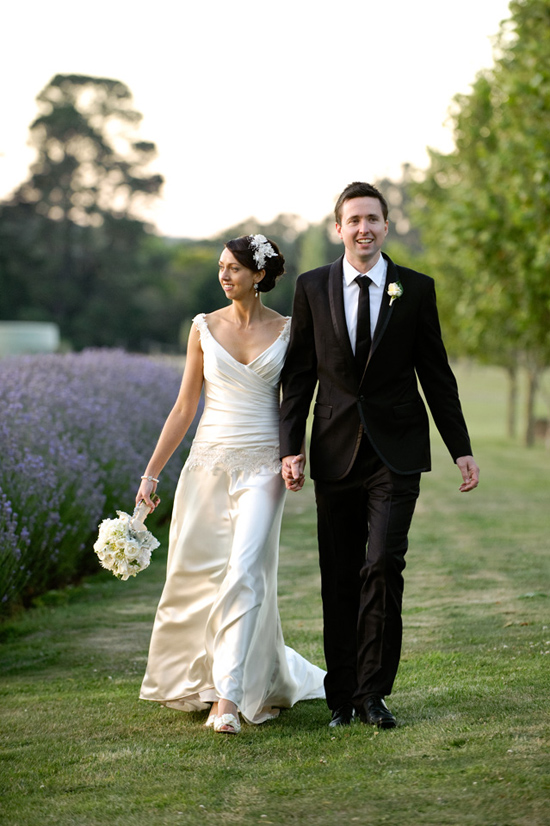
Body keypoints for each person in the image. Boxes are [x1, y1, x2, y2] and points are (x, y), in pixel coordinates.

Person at [279, 182, 479, 730]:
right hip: (335, 451)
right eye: (354, 220)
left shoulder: (414, 289)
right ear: (338, 228)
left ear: (386, 227)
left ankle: (373, 693)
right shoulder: (312, 287)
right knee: (340, 572)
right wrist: (289, 447)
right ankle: (341, 695)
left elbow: (436, 374)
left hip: (398, 452)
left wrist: (460, 448)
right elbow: (298, 376)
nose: (363, 229)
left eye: (373, 219)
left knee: (383, 565)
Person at [137, 234, 325, 735]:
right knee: (198, 574)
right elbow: (184, 407)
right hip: (207, 466)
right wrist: (151, 473)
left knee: (245, 570)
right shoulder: (202, 328)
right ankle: (202, 676)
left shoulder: (288, 330)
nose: (225, 276)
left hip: (265, 465)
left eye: (235, 268)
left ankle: (228, 697)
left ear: (259, 275)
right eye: (222, 267)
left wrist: (294, 452)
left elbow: (297, 397)